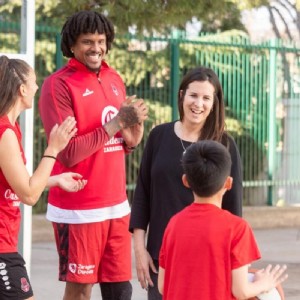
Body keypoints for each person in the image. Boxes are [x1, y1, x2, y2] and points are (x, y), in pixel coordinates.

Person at [38, 10, 148, 300]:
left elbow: (115, 141)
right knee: (80, 290)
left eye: (101, 40)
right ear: (71, 46)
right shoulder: (58, 85)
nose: (96, 48)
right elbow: (69, 153)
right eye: (87, 41)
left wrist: (131, 142)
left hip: (116, 205)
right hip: (78, 209)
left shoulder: (114, 78)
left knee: (120, 291)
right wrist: (116, 125)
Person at [129, 66, 243, 299]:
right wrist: (140, 250)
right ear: (181, 95)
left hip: (208, 262)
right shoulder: (159, 136)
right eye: (193, 95)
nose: (198, 104)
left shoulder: (225, 145)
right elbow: (142, 195)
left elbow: (234, 211)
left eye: (206, 98)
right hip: (162, 260)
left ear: (214, 103)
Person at [0, 55, 87, 300]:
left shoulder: (11, 128)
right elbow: (28, 194)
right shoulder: (4, 132)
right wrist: (53, 149)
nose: (38, 87)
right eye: (34, 81)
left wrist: (55, 180)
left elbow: (16, 183)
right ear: (22, 89)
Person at [157, 140, 288, 299]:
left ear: (185, 181)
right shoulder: (237, 228)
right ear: (228, 182)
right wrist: (265, 283)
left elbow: (163, 286)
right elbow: (241, 291)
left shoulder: (173, 224)